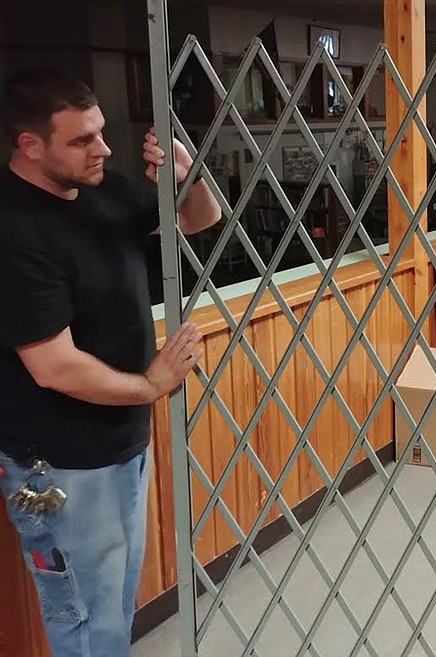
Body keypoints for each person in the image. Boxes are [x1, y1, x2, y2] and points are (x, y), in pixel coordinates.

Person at [0, 68, 221, 656]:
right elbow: (54, 366)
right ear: (30, 145)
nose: (102, 148)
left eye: (100, 133)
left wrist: (186, 172)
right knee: (81, 608)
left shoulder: (99, 189)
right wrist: (152, 383)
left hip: (120, 443)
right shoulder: (15, 232)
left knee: (114, 597)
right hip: (58, 464)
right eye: (81, 140)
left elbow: (197, 220)